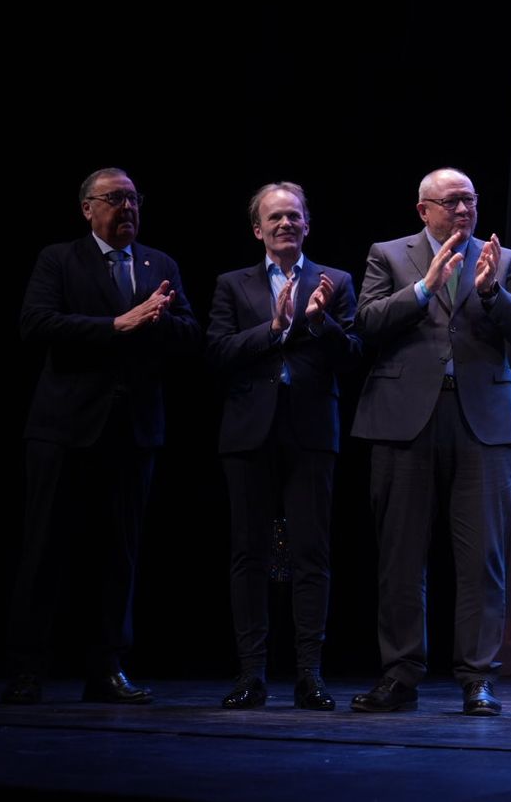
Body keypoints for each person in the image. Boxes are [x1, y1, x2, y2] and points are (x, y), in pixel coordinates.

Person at [3, 168, 200, 705]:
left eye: (134, 199)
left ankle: (106, 669)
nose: (128, 208)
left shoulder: (159, 264)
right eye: (115, 199)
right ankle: (27, 669)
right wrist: (118, 325)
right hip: (64, 429)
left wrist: (154, 319)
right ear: (87, 208)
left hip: (132, 430)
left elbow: (189, 335)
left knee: (119, 554)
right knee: (45, 549)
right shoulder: (58, 259)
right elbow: (36, 324)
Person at [350, 168, 511, 716]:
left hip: (483, 421)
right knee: (401, 556)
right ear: (423, 209)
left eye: (470, 201)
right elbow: (366, 322)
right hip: (404, 419)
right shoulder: (388, 255)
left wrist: (491, 292)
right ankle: (400, 675)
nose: (463, 211)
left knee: (483, 559)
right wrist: (425, 286)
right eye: (452, 202)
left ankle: (478, 678)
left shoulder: (502, 259)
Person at [206, 182, 360, 711]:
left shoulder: (335, 281)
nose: (285, 224)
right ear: (258, 229)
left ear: (307, 224)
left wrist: (320, 323)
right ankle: (251, 674)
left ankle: (309, 676)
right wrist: (273, 329)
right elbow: (218, 352)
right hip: (249, 432)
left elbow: (353, 355)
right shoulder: (233, 285)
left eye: (293, 216)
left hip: (312, 432)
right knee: (250, 554)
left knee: (309, 555)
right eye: (274, 218)